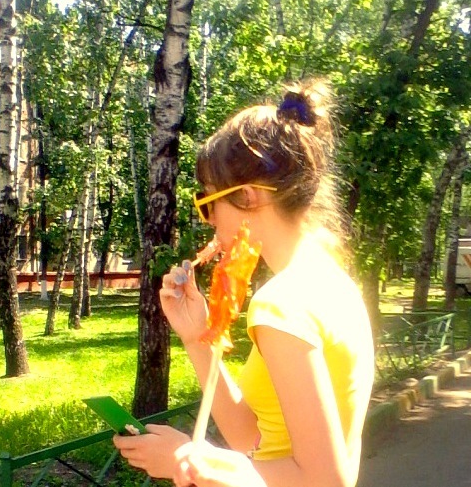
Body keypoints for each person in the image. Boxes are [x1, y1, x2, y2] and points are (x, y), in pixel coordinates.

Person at [114, 78, 375, 487]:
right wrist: (197, 336)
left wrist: (188, 462)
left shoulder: (282, 303)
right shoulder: (332, 283)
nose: (209, 220)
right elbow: (253, 438)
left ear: (248, 197)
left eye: (208, 202)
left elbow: (325, 480)